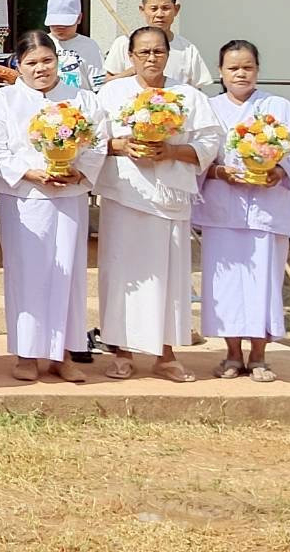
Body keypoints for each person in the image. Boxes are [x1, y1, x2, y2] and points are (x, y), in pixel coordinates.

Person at [95, 27, 222, 382]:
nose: (151, 59)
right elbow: (91, 138)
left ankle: (165, 354)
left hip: (170, 196)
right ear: (131, 56)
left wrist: (172, 150)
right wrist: (120, 146)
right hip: (125, 194)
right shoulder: (112, 92)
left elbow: (209, 139)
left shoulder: (187, 95)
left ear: (169, 54)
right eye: (144, 52)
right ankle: (120, 350)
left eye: (158, 52)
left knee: (170, 276)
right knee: (121, 273)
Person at [0, 31, 108, 383]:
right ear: (17, 66)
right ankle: (26, 353)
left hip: (69, 197)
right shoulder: (0, 101)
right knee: (26, 274)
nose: (41, 69)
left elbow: (98, 143)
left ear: (58, 61)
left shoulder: (82, 100)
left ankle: (63, 353)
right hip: (24, 199)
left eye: (47, 61)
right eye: (31, 63)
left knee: (68, 272)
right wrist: (30, 173)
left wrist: (78, 171)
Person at [194, 40, 290, 382]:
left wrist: (280, 171)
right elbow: (196, 156)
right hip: (223, 209)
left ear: (257, 70)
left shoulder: (279, 106)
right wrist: (219, 171)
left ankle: (259, 356)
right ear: (220, 72)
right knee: (225, 286)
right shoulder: (208, 108)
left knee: (263, 282)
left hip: (267, 209)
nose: (241, 73)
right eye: (233, 68)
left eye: (248, 67)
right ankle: (232, 354)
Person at [102, 0, 213, 88]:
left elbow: (196, 89)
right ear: (142, 10)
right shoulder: (124, 43)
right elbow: (107, 84)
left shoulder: (187, 49)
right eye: (154, 9)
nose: (160, 14)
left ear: (176, 9)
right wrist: (132, 71)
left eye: (165, 8)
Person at [44, 0, 104, 91]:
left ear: (79, 18)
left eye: (65, 25)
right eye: (55, 25)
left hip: (80, 102)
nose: (60, 29)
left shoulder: (89, 46)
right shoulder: (41, 43)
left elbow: (99, 84)